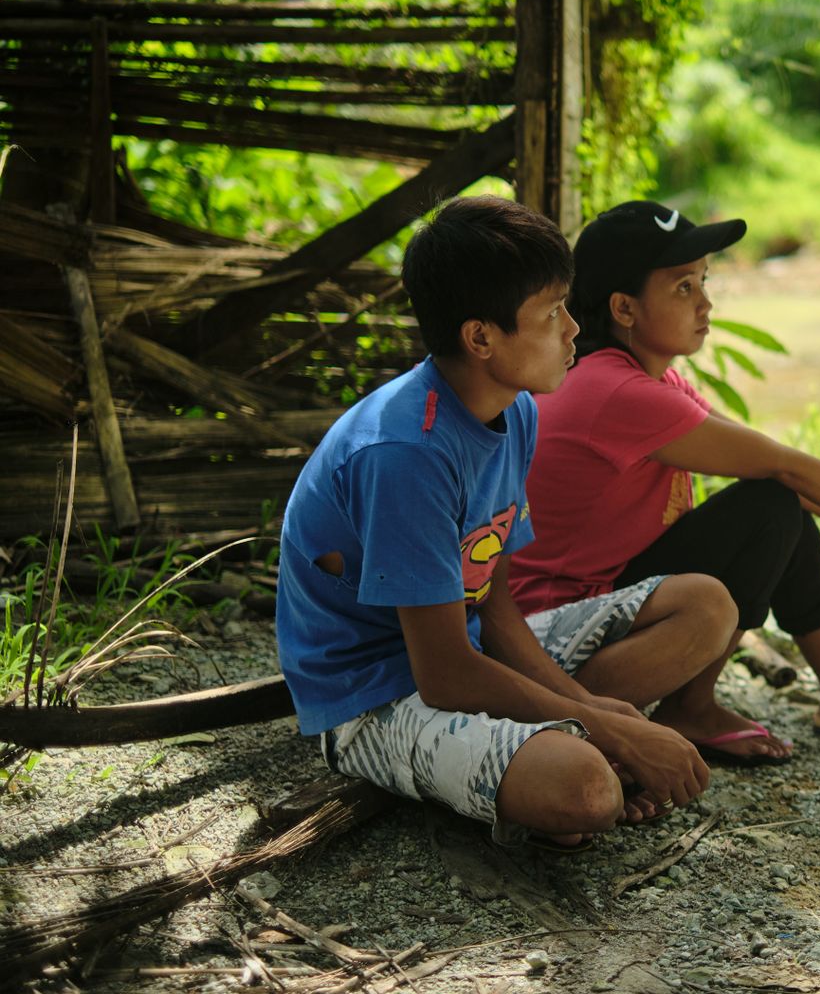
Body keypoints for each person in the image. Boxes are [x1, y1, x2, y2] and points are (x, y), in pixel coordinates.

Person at [276, 196, 740, 853]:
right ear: (482, 338)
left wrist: (588, 707)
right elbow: (441, 675)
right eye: (551, 314)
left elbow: (493, 607)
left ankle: (556, 742)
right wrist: (607, 731)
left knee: (705, 604)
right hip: (375, 696)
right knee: (585, 790)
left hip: (464, 649)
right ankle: (561, 753)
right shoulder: (406, 453)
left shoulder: (515, 410)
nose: (574, 330)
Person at [507, 200, 820, 764]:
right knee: (769, 503)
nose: (705, 301)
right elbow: (783, 467)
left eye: (704, 280)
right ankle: (691, 707)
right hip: (553, 640)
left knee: (778, 503)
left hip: (607, 604)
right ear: (624, 307)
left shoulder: (649, 378)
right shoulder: (616, 391)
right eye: (682, 288)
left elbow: (774, 462)